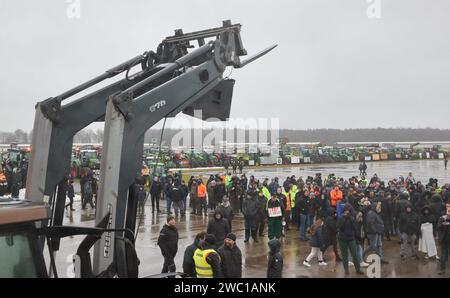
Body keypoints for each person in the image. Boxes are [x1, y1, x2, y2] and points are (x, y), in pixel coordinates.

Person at [337, 206, 364, 275]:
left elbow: (355, 227)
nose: (346, 212)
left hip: (351, 239)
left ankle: (358, 269)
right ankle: (346, 269)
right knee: (344, 255)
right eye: (345, 211)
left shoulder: (351, 218)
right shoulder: (340, 218)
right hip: (342, 239)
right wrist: (345, 219)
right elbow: (340, 227)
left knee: (354, 255)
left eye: (348, 210)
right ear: (343, 212)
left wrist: (350, 219)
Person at [438, 204, 450, 275]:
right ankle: (442, 269)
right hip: (444, 239)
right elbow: (438, 227)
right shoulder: (442, 218)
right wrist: (443, 224)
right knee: (443, 254)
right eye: (447, 209)